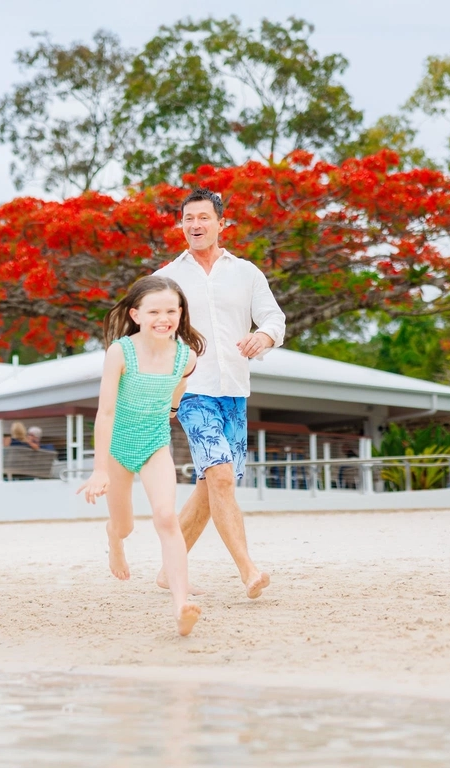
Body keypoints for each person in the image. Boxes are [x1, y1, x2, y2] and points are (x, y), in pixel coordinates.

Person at [154, 188, 286, 600]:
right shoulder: (167, 278)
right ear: (181, 225)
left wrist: (263, 337)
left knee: (211, 487)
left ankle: (167, 569)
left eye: (203, 218)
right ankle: (248, 570)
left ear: (221, 223)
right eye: (188, 218)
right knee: (222, 478)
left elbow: (273, 317)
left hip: (235, 392)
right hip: (193, 390)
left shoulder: (246, 273)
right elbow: (152, 331)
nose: (195, 225)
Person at [77, 276, 204, 637]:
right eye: (154, 311)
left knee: (166, 517)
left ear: (180, 314)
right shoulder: (120, 352)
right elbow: (105, 413)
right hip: (117, 446)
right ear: (135, 314)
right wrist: (100, 469)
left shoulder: (185, 356)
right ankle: (113, 539)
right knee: (126, 526)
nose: (163, 318)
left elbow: (181, 383)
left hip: (154, 443)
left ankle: (181, 605)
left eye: (171, 311)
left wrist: (174, 406)